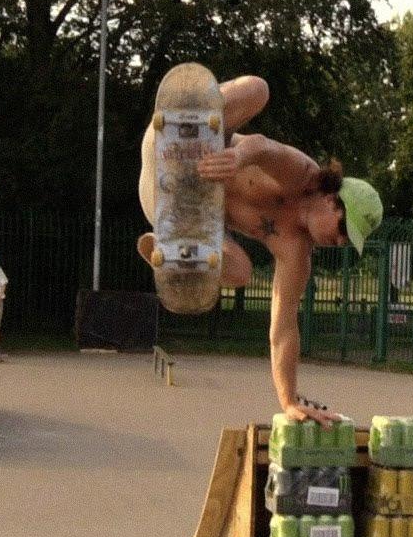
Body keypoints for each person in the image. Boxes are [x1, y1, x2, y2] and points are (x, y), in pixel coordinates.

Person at [136, 74, 383, 426]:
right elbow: (263, 145)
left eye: (348, 242)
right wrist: (235, 157)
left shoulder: (297, 253)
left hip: (169, 204)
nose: (340, 242)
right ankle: (189, 115)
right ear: (332, 199)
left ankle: (172, 246)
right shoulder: (303, 174)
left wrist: (289, 401)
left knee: (240, 271)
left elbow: (283, 330)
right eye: (344, 229)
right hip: (173, 145)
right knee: (259, 88)